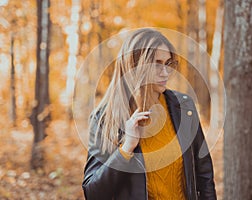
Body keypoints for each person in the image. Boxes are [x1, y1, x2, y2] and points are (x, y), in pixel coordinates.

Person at [82, 28, 217, 200]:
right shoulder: (104, 119)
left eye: (168, 63)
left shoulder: (184, 106)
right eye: (157, 64)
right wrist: (127, 148)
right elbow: (93, 193)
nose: (165, 72)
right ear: (134, 65)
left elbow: (204, 175)